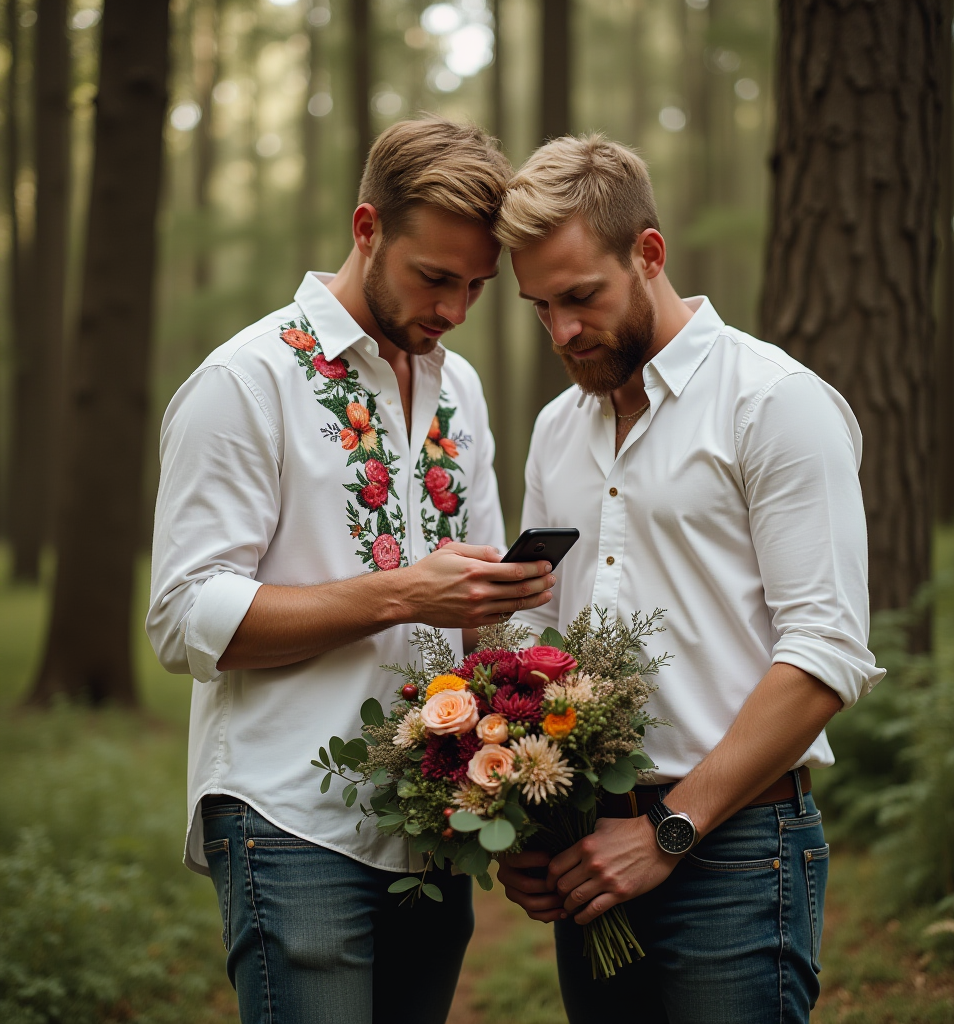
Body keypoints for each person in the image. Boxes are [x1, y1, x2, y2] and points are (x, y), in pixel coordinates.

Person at [146, 116, 556, 1024]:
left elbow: (479, 610)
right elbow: (182, 616)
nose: (452, 309)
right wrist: (406, 591)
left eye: (477, 287)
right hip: (289, 816)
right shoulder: (246, 381)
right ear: (367, 229)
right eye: (434, 277)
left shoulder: (462, 390)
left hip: (433, 822)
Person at [493, 135, 885, 1023]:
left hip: (738, 855)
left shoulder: (774, 403)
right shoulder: (557, 429)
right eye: (539, 307)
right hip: (587, 853)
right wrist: (524, 815)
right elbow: (533, 635)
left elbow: (826, 654)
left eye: (581, 297)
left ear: (650, 254)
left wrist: (670, 832)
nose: (561, 331)